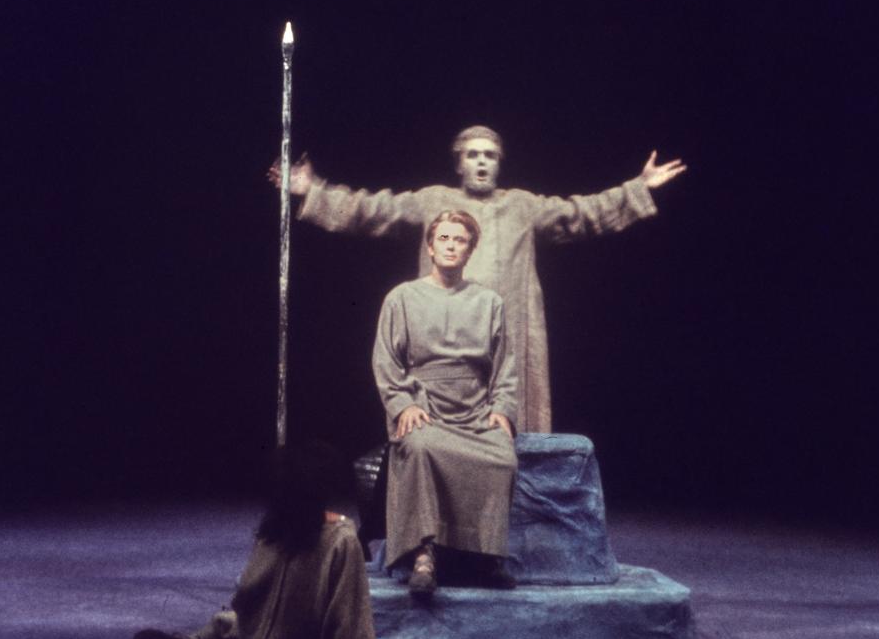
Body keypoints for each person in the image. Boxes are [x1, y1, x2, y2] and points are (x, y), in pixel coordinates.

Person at [274, 126, 686, 435]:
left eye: (490, 155)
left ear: (499, 163)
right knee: (441, 429)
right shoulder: (433, 200)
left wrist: (638, 188)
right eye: (473, 155)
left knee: (509, 418)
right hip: (443, 335)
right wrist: (314, 190)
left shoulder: (522, 206)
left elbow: (582, 214)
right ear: (459, 164)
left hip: (506, 332)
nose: (482, 162)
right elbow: (373, 210)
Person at [134, 442, 380, 639]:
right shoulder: (305, 529)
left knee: (231, 621)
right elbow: (346, 600)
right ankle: (203, 637)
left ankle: (205, 636)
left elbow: (250, 587)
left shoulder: (311, 532)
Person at [373, 208, 520, 596]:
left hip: (473, 409)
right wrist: (403, 404)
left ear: (470, 250)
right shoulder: (403, 298)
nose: (451, 246)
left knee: (502, 457)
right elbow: (385, 360)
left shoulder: (489, 302)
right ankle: (424, 554)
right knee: (421, 447)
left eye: (460, 240)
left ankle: (485, 556)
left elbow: (505, 365)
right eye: (444, 238)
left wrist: (502, 409)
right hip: (425, 406)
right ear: (430, 247)